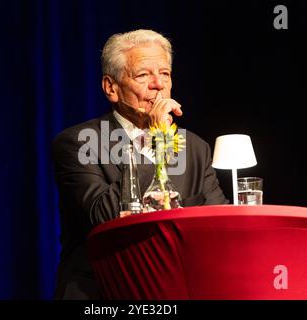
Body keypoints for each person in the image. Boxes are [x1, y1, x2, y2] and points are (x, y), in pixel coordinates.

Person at [52, 29, 228, 299]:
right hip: (105, 294)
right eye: (143, 75)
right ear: (111, 88)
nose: (158, 84)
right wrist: (156, 142)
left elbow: (218, 227)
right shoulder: (78, 143)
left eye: (165, 74)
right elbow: (103, 218)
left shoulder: (195, 148)